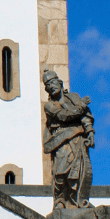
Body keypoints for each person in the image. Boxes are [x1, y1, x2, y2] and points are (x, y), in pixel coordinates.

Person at [42, 69, 94, 210]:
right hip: (61, 140)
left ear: (59, 83)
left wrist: (89, 131)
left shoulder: (73, 97)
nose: (51, 86)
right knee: (60, 172)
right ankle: (60, 200)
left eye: (53, 83)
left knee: (78, 172)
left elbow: (85, 116)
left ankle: (77, 200)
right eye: (48, 85)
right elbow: (64, 116)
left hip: (77, 140)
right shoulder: (49, 106)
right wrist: (81, 106)